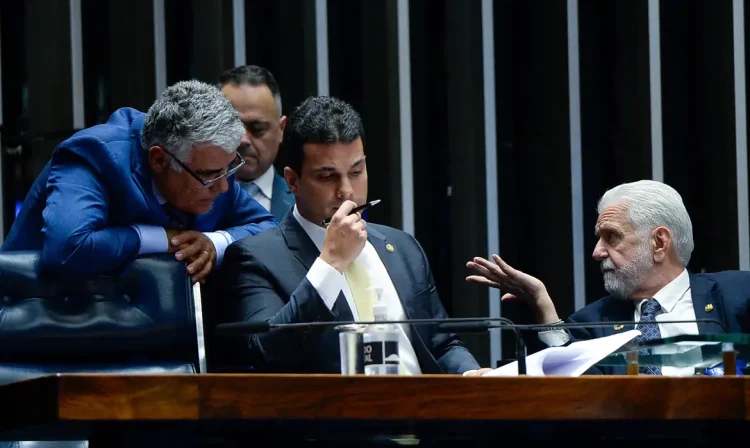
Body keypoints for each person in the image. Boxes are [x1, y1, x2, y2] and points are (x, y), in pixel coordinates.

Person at [219, 96, 483, 375]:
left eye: (356, 172)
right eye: (327, 177)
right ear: (292, 181)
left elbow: (442, 344)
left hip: (424, 411)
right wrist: (330, 265)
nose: (346, 191)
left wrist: (473, 375)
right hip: (340, 414)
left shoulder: (403, 247)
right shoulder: (255, 257)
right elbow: (267, 352)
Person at [2, 80, 278, 283]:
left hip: (161, 335)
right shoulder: (95, 154)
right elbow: (68, 248)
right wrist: (162, 239)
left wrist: (215, 242)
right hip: (44, 323)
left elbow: (270, 228)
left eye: (230, 168)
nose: (224, 188)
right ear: (158, 160)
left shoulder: (213, 165)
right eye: (208, 176)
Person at [466, 180, 750, 375]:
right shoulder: (591, 324)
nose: (597, 252)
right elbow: (568, 385)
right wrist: (542, 304)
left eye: (611, 237)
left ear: (659, 243)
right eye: (598, 239)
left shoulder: (737, 294)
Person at [219, 65, 294, 220]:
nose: (243, 140)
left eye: (257, 128)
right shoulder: (186, 200)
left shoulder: (305, 204)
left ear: (281, 129)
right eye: (232, 127)